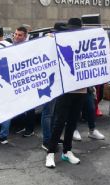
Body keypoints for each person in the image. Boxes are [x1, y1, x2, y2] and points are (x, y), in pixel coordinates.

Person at [45, 18, 85, 168]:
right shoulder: (59, 40)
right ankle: (50, 153)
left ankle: (67, 151)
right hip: (65, 88)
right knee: (59, 122)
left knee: (73, 122)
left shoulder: (84, 42)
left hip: (81, 89)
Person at [13, 26, 37, 137]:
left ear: (25, 36)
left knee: (30, 107)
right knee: (21, 106)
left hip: (28, 81)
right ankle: (24, 127)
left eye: (20, 35)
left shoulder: (29, 48)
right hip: (18, 82)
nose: (17, 37)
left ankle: (30, 129)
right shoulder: (12, 47)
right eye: (16, 34)